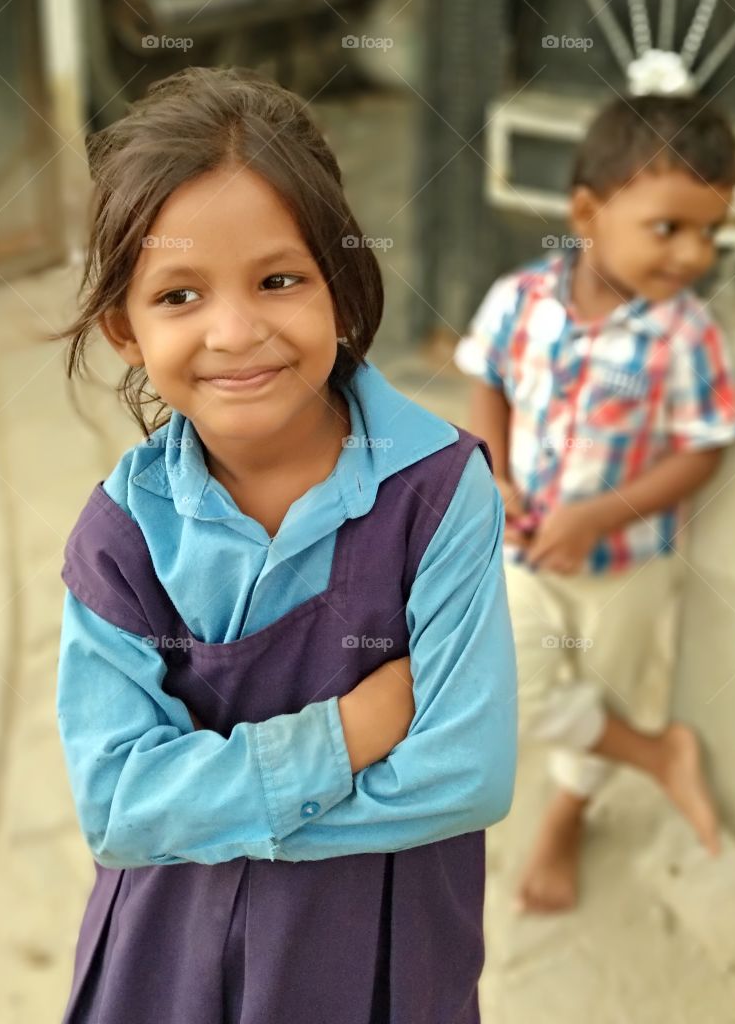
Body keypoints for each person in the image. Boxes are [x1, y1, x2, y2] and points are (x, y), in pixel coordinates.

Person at [52, 66, 517, 1023]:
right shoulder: (120, 537)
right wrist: (341, 738)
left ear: (338, 284)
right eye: (179, 295)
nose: (236, 330)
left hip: (388, 957)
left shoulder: (438, 492)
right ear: (122, 329)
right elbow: (119, 808)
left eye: (278, 280)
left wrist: (208, 810)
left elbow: (464, 772)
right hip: (169, 963)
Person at [455, 93, 735, 914]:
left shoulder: (685, 334)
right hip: (520, 551)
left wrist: (601, 515)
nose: (694, 254)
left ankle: (567, 814)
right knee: (515, 685)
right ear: (587, 213)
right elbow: (487, 379)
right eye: (669, 227)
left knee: (607, 685)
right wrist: (492, 472)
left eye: (711, 232)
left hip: (624, 567)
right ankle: (660, 756)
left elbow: (704, 445)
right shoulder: (520, 300)